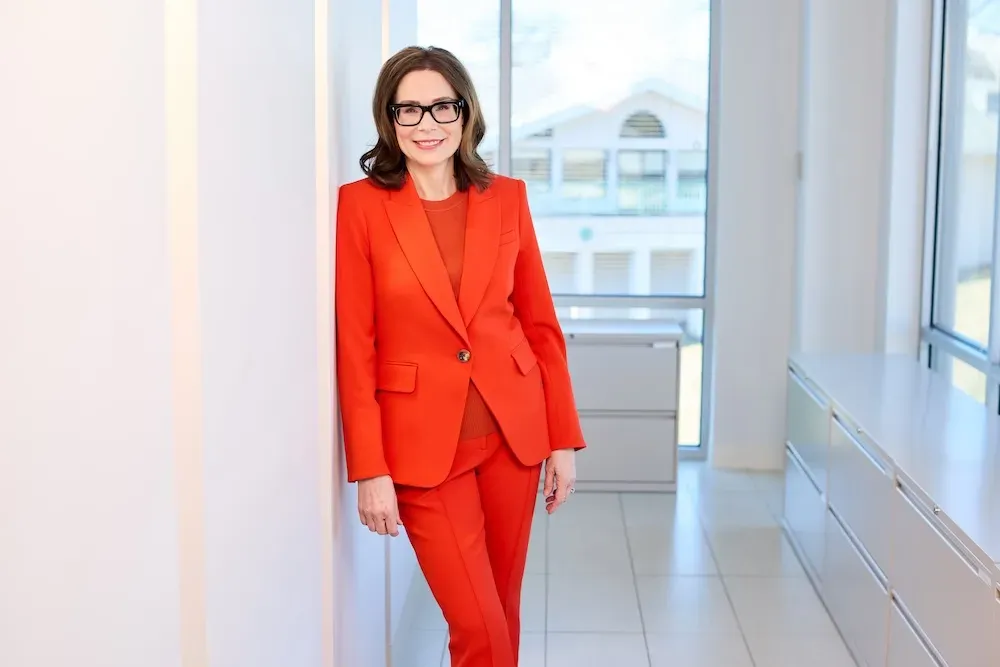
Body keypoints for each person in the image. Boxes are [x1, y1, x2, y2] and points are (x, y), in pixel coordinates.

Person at [335, 45, 585, 667]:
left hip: (513, 436)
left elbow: (540, 325)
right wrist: (370, 469)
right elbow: (355, 346)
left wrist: (561, 438)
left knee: (501, 612)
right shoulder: (360, 207)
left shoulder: (507, 198)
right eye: (409, 109)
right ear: (389, 120)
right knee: (477, 625)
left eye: (442, 106)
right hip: (422, 447)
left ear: (466, 113)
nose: (428, 124)